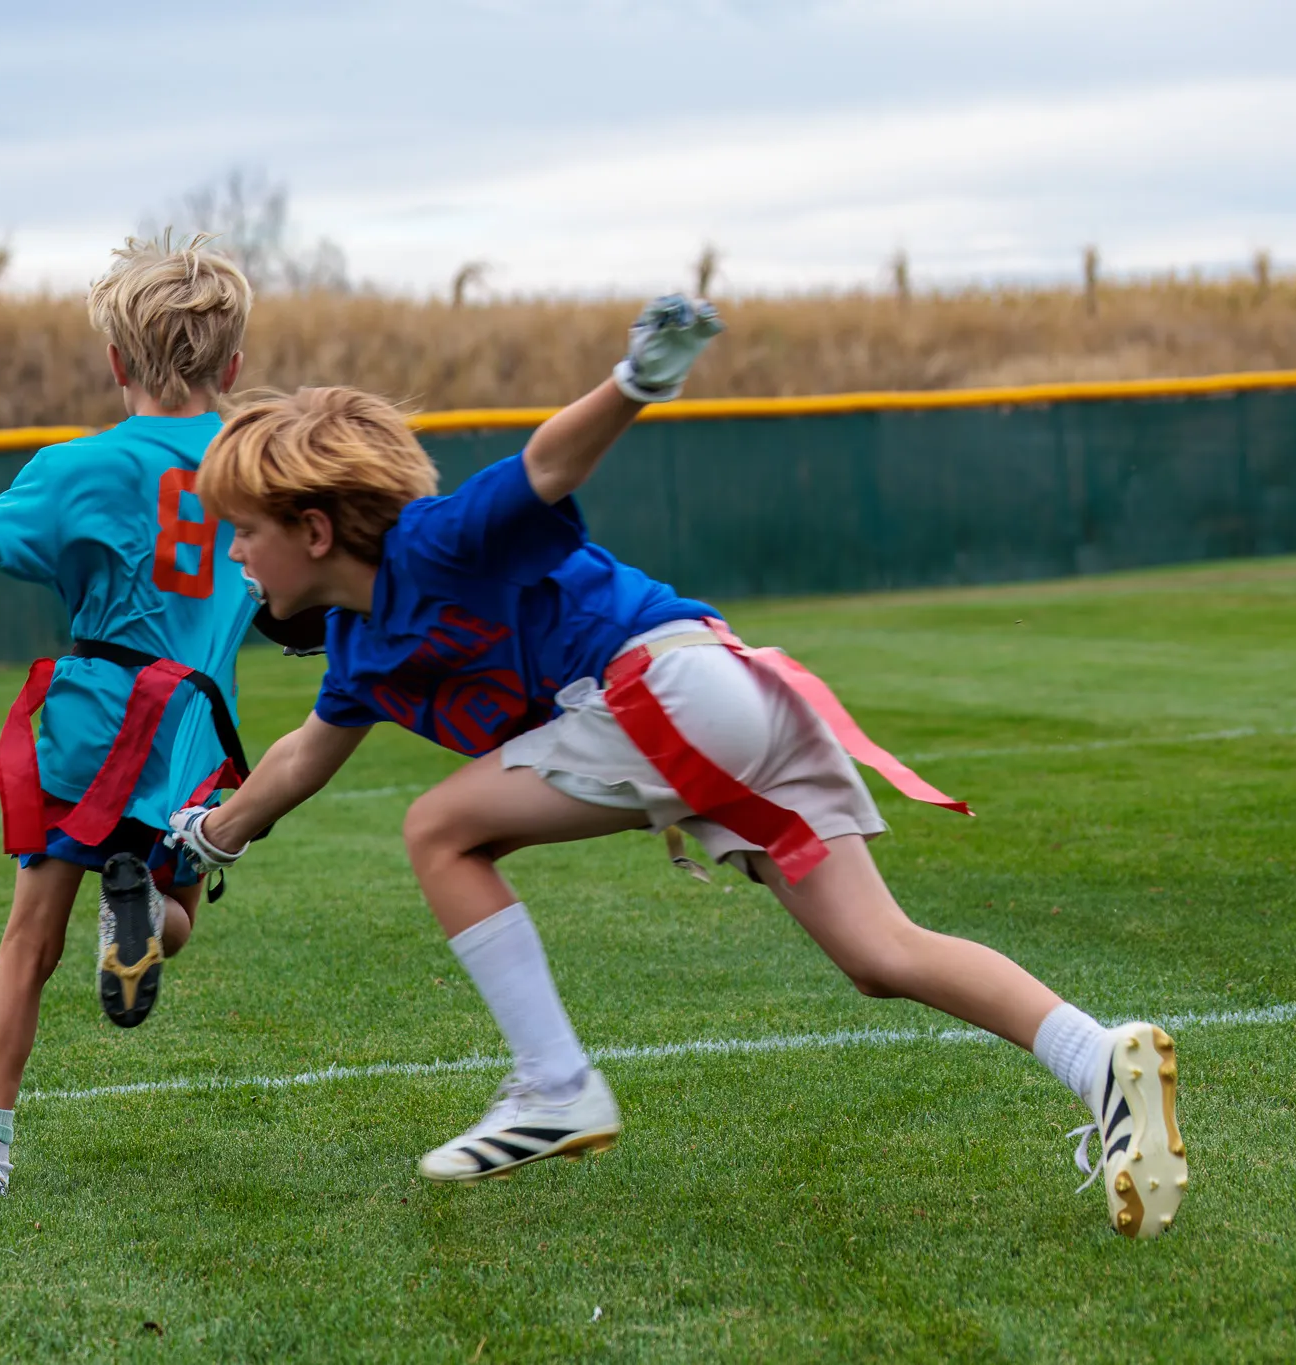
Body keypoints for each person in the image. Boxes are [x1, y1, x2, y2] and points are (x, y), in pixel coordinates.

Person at [167, 298, 1187, 1239]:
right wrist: (209, 833)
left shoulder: (432, 543)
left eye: (244, 532)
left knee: (437, 829)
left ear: (312, 528)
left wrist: (634, 381)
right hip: (734, 692)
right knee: (880, 955)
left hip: (668, 695)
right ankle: (1099, 1060)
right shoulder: (357, 648)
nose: (237, 556)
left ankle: (553, 1083)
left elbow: (546, 468)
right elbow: (303, 754)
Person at [0, 233, 286, 1198]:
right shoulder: (254, 460)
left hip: (97, 715)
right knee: (177, 914)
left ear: (114, 362)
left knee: (28, 938)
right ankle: (129, 905)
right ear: (232, 367)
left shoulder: (79, 465)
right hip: (191, 726)